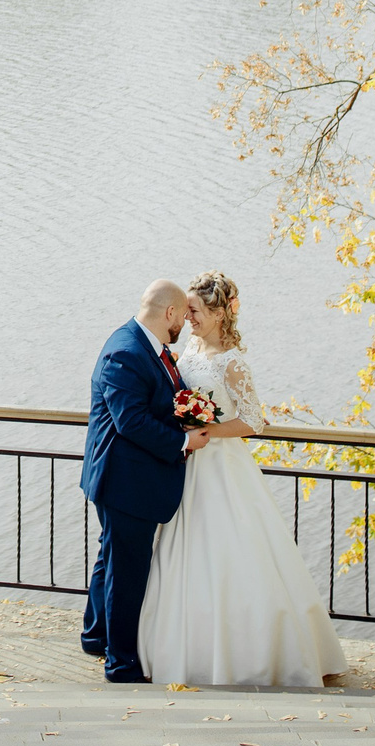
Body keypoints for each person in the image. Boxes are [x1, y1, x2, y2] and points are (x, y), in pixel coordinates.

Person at [135, 271, 346, 688]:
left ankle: (251, 656)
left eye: (195, 311)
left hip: (221, 467)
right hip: (189, 464)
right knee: (181, 553)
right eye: (187, 311)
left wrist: (208, 430)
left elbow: (253, 421)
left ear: (218, 314)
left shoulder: (231, 362)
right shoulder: (189, 348)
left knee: (233, 552)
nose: (188, 318)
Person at [81, 279, 191, 683]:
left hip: (126, 478)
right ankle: (121, 663)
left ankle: (96, 636)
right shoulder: (126, 352)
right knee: (127, 573)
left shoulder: (148, 347)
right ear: (170, 313)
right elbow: (131, 422)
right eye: (183, 316)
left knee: (112, 558)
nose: (184, 325)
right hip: (124, 481)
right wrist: (184, 441)